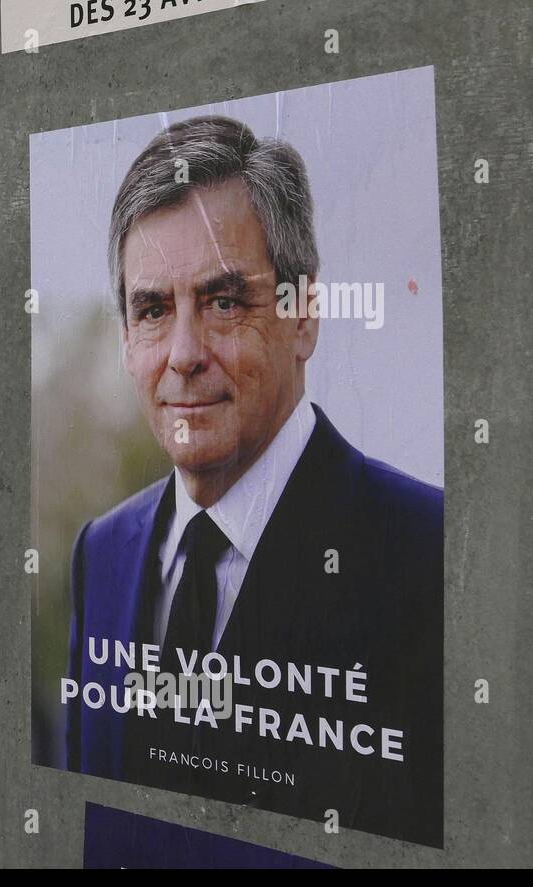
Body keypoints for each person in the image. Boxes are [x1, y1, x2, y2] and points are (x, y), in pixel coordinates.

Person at [64, 116, 443, 847]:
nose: (182, 354)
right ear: (125, 338)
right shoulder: (100, 555)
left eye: (224, 302)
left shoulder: (426, 555)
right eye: (151, 310)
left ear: (304, 317)